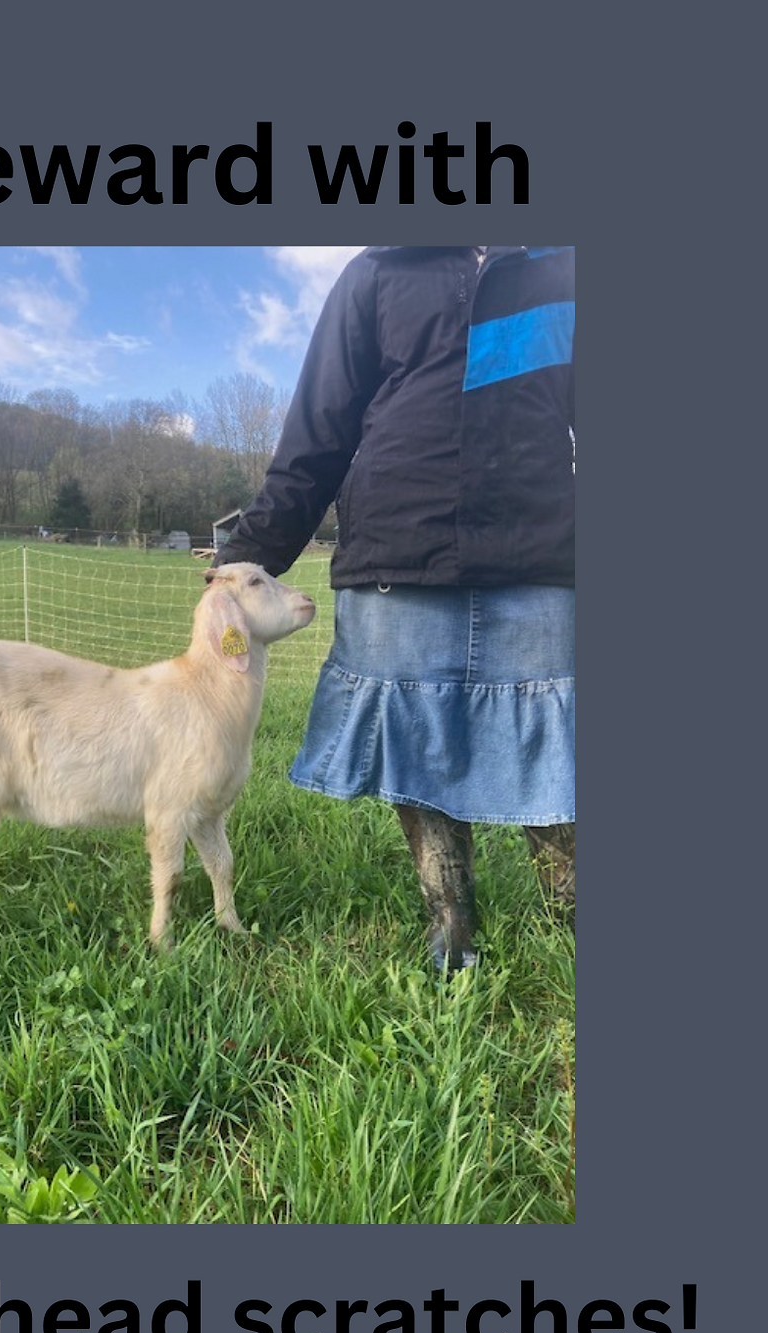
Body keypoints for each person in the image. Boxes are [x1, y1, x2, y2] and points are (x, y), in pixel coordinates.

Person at [213, 246, 575, 969]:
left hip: (540, 553)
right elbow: (319, 435)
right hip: (397, 555)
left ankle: (572, 916)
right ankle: (453, 927)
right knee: (420, 748)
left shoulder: (564, 269)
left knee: (564, 745)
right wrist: (247, 554)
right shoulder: (377, 273)